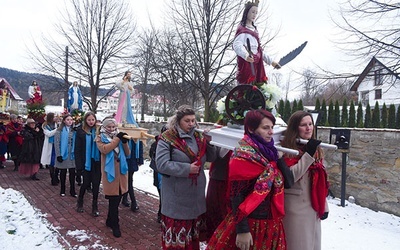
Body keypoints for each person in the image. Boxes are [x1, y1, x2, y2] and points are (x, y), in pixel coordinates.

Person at [207, 109, 287, 250]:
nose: (271, 132)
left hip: (271, 223)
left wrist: (278, 159)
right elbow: (236, 195)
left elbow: (289, 183)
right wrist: (242, 230)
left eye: (272, 128)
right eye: (265, 128)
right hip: (250, 223)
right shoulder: (243, 155)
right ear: (251, 129)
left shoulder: (271, 152)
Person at [156, 105, 217, 249]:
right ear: (178, 122)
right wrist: (186, 169)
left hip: (195, 195)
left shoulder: (199, 137)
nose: (191, 124)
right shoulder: (167, 138)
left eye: (193, 121)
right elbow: (162, 164)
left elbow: (212, 157)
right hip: (177, 196)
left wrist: (209, 142)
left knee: (192, 238)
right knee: (178, 240)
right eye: (187, 121)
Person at [280, 111, 329, 250]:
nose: (308, 128)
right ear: (295, 128)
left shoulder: (315, 148)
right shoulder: (286, 148)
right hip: (295, 207)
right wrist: (307, 154)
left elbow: (320, 180)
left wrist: (324, 205)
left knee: (313, 244)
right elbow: (291, 178)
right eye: (303, 125)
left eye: (310, 124)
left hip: (313, 205)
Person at [96, 117, 130, 238]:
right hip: (110, 173)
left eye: (113, 127)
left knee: (118, 198)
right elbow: (105, 149)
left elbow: (127, 153)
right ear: (104, 127)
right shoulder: (100, 138)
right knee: (113, 201)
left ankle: (109, 220)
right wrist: (117, 139)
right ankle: (115, 225)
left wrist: (124, 143)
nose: (111, 129)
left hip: (121, 173)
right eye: (109, 127)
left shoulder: (119, 137)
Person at [233, 1, 280, 85]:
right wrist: (246, 55)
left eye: (256, 13)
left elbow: (259, 51)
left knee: (259, 87)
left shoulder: (255, 31)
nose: (254, 15)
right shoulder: (242, 29)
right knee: (247, 87)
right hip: (246, 64)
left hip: (258, 65)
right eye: (252, 12)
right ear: (247, 12)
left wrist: (271, 61)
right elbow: (237, 45)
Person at [75, 112, 101, 217]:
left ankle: (95, 206)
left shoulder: (98, 132)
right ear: (85, 120)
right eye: (89, 120)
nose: (91, 122)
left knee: (96, 184)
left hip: (96, 162)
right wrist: (79, 166)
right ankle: (80, 201)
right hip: (86, 162)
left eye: (93, 120)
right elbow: (78, 150)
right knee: (85, 183)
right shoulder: (81, 132)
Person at [203, 147, 232, 242]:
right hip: (218, 180)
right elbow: (216, 156)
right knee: (214, 209)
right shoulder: (219, 139)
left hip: (232, 182)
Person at [148, 125, 168, 223]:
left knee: (165, 196)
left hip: (167, 174)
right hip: (159, 173)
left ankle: (163, 214)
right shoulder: (156, 144)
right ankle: (161, 214)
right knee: (162, 196)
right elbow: (151, 155)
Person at [54, 114, 77, 197]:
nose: (70, 121)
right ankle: (62, 189)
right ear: (64, 121)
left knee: (72, 172)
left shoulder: (74, 130)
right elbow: (57, 143)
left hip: (71, 154)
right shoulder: (59, 131)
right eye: (68, 119)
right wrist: (58, 155)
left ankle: (72, 190)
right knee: (63, 172)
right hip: (63, 153)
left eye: (71, 120)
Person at [121, 140, 143, 212]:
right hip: (123, 159)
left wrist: (140, 159)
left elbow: (140, 144)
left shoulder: (137, 131)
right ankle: (133, 202)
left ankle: (125, 199)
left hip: (132, 159)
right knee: (128, 181)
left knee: (129, 180)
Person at [40, 113, 59, 185]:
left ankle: (56, 176)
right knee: (51, 162)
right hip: (50, 145)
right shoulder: (45, 126)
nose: (55, 118)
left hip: (56, 144)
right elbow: (49, 134)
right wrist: (57, 130)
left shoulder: (56, 124)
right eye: (54, 117)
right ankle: (53, 178)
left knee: (57, 162)